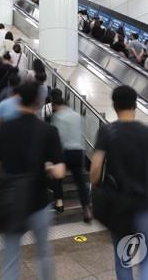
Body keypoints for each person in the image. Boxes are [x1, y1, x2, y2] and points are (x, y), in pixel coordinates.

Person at [0, 82, 66, 280]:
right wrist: (48, 167)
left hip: (11, 203)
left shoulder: (4, 130)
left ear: (17, 98)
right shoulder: (48, 131)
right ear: (39, 102)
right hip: (38, 202)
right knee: (43, 253)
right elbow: (59, 172)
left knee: (11, 257)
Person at [90, 85, 148, 280]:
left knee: (122, 257)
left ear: (115, 106)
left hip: (118, 207)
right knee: (147, 256)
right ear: (135, 105)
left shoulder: (107, 132)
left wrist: (97, 185)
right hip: (145, 206)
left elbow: (95, 170)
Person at [51, 90, 92, 223]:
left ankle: (59, 202)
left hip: (64, 152)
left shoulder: (58, 116)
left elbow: (57, 137)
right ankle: (86, 207)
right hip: (79, 152)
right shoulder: (77, 116)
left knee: (57, 177)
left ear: (56, 106)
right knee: (80, 181)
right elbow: (81, 134)